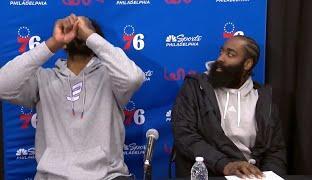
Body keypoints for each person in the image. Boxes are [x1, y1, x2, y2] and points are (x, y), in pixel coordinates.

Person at [0, 14, 145, 180]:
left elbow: (134, 78)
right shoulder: (43, 79)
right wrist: (52, 44)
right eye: (75, 29)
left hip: (108, 177)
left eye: (83, 28)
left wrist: (90, 37)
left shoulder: (111, 78)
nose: (78, 30)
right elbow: (2, 85)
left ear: (96, 39)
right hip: (53, 177)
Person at [171, 35, 287, 178]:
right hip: (210, 172)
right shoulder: (195, 88)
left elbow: (275, 151)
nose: (220, 58)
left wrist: (267, 176)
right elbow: (185, 135)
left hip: (250, 175)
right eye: (221, 52)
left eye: (230, 54)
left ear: (247, 64)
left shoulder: (264, 99)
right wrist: (225, 165)